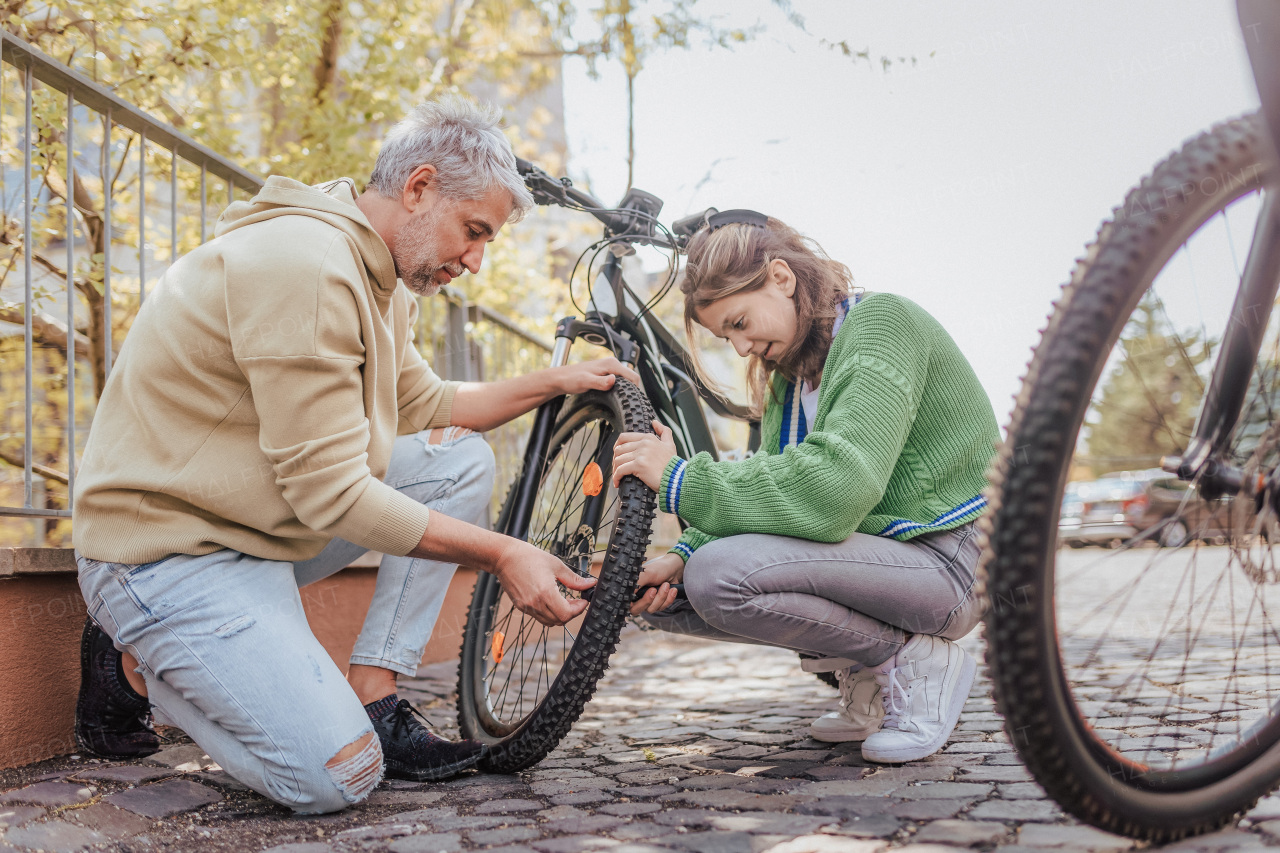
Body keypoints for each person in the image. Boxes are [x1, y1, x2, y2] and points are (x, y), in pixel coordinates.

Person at [71, 96, 637, 813]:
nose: (476, 259)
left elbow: (427, 402)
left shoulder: (381, 275)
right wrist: (502, 552)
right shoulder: (304, 269)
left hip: (252, 527)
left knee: (458, 462)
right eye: (474, 231)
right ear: (420, 187)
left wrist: (552, 381)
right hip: (164, 553)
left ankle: (376, 693)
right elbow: (332, 495)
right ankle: (130, 664)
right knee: (337, 775)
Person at [611, 210, 999, 763]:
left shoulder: (881, 324)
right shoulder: (789, 385)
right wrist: (679, 554)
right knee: (669, 595)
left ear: (782, 278)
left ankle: (916, 661)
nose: (740, 348)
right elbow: (771, 498)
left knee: (720, 577)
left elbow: (834, 492)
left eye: (740, 323)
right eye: (727, 336)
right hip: (881, 561)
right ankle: (870, 674)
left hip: (951, 562)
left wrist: (679, 480)